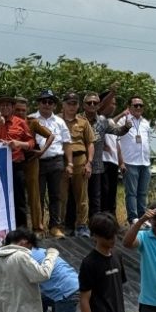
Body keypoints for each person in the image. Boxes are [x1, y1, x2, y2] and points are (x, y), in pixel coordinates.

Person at [82, 89, 131, 219]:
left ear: (98, 105)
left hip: (97, 166)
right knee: (78, 198)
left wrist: (126, 127)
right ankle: (77, 226)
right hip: (80, 164)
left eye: (95, 103)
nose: (92, 105)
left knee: (96, 199)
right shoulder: (79, 120)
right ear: (84, 105)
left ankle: (97, 225)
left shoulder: (103, 121)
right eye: (89, 103)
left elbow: (118, 132)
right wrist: (112, 93)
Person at [0, 95, 35, 227]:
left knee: (19, 200)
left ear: (13, 107)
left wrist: (19, 143)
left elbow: (31, 142)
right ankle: (2, 230)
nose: (5, 107)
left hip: (16, 165)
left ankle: (22, 232)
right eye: (2, 105)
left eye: (8, 105)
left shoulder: (21, 123)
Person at [30, 90, 72, 238]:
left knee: (56, 196)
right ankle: (38, 228)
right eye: (44, 101)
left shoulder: (60, 122)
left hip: (56, 161)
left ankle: (55, 226)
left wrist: (70, 164)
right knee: (38, 196)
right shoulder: (31, 119)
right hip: (36, 162)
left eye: (50, 102)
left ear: (54, 105)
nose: (47, 105)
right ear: (38, 103)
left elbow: (67, 143)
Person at [14, 97, 54, 233]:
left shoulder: (32, 122)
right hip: (14, 162)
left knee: (34, 193)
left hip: (31, 161)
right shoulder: (9, 124)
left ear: (28, 111)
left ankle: (37, 226)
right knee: (16, 195)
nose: (20, 112)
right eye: (17, 110)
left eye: (23, 110)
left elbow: (51, 136)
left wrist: (42, 151)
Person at [59, 91, 95, 237]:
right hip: (60, 160)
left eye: (74, 103)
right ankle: (60, 225)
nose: (71, 106)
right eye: (69, 103)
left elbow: (90, 143)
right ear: (63, 104)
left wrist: (89, 163)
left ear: (78, 105)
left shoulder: (83, 122)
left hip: (80, 159)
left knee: (82, 196)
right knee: (61, 195)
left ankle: (82, 225)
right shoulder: (56, 120)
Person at [117, 95, 152, 224]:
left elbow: (147, 141)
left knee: (142, 192)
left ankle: (143, 217)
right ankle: (133, 217)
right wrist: (120, 162)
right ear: (129, 107)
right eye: (135, 105)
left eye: (140, 105)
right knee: (131, 192)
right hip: (130, 162)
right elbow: (117, 140)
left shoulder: (145, 122)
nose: (138, 107)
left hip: (144, 162)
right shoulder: (123, 120)